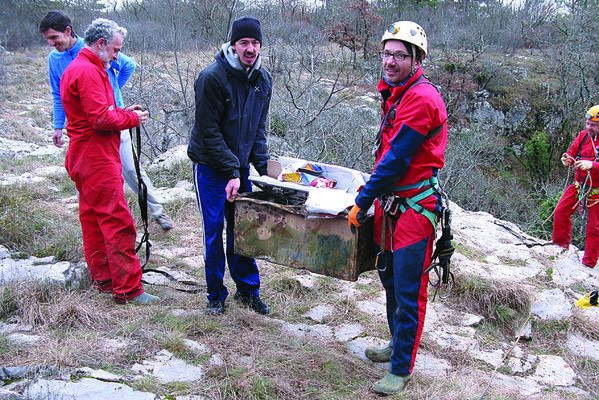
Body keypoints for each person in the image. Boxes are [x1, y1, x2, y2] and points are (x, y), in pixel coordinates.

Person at [347, 21, 448, 394]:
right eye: (387, 53)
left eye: (400, 55)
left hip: (414, 210)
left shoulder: (421, 99)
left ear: (416, 59)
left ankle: (401, 368)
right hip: (395, 206)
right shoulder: (397, 92)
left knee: (408, 290)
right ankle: (395, 344)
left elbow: (396, 160)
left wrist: (363, 200)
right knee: (390, 281)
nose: (391, 61)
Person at [39, 11, 174, 232]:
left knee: (131, 170)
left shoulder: (99, 47)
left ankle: (158, 211)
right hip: (85, 131)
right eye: (48, 39)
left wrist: (111, 93)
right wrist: (57, 125)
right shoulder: (55, 60)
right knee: (91, 179)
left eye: (54, 38)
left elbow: (128, 65)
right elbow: (57, 93)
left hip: (112, 119)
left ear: (68, 31)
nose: (52, 43)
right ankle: (97, 226)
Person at [59, 18, 159, 305]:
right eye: (116, 50)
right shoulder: (88, 71)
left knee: (92, 219)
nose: (117, 55)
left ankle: (103, 279)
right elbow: (101, 119)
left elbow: (97, 110)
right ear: (101, 44)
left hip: (83, 155)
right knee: (117, 221)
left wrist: (122, 110)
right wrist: (131, 118)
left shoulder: (80, 68)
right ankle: (128, 289)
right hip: (95, 156)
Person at [187, 16, 272, 315]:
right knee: (214, 230)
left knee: (243, 230)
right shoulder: (212, 77)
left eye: (255, 43)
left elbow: (258, 130)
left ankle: (248, 291)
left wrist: (266, 169)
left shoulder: (264, 80)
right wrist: (233, 172)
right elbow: (208, 132)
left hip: (239, 169)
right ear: (233, 45)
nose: (250, 49)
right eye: (244, 42)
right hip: (210, 167)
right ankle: (215, 295)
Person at [553, 106, 599, 268]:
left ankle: (589, 264)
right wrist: (567, 159)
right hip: (579, 185)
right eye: (588, 123)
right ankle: (560, 246)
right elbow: (572, 152)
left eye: (593, 125)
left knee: (594, 228)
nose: (589, 127)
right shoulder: (583, 136)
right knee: (561, 212)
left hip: (597, 191)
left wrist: (592, 165)